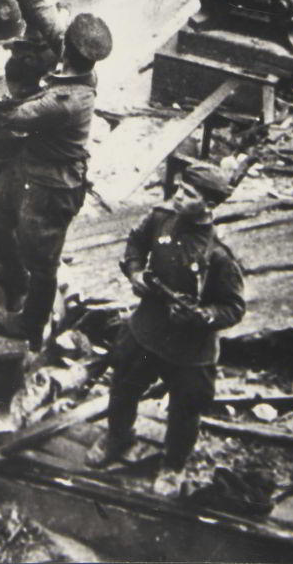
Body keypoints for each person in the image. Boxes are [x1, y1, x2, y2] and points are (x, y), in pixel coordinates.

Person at [0, 0, 113, 349]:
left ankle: (29, 325)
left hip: (53, 185)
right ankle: (16, 274)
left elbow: (11, 117)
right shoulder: (77, 62)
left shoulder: (66, 101)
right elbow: (43, 12)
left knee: (44, 261)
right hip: (31, 167)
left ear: (67, 48)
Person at [85, 162, 245, 497]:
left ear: (210, 206)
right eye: (179, 189)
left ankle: (173, 466)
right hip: (146, 329)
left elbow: (233, 308)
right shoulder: (160, 219)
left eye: (189, 195)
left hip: (190, 349)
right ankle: (118, 437)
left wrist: (201, 315)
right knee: (123, 387)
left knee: (185, 410)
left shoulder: (219, 255)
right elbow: (136, 243)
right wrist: (135, 273)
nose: (178, 197)